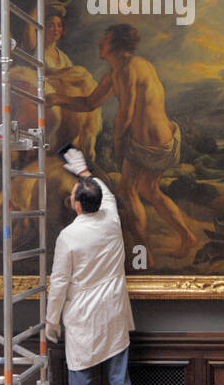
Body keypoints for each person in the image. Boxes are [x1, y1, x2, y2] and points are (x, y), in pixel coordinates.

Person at [50, 24, 198, 256]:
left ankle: (144, 251)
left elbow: (126, 113)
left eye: (105, 39)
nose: (101, 43)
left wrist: (118, 145)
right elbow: (89, 103)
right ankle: (188, 238)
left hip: (147, 147)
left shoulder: (128, 69)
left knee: (128, 191)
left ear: (117, 44)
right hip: (164, 140)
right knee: (149, 190)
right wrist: (59, 98)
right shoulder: (121, 71)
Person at [46, 147, 141, 385]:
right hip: (113, 313)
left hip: (83, 319)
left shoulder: (68, 237)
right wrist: (83, 171)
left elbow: (58, 284)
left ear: (76, 204)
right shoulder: (112, 218)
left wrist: (51, 322)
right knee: (120, 383)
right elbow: (107, 193)